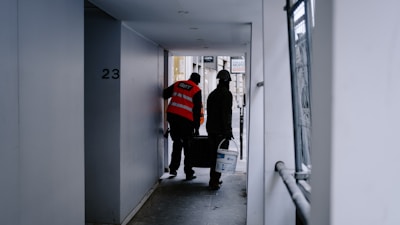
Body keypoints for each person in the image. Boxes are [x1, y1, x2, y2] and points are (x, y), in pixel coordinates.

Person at [163, 72, 202, 180]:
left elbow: (165, 94)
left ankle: (173, 169)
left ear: (189, 78)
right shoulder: (196, 90)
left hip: (173, 117)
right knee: (187, 146)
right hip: (186, 120)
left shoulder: (178, 84)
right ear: (198, 81)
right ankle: (188, 172)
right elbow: (197, 111)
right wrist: (197, 128)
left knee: (177, 143)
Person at [206, 69, 233, 190]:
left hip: (211, 130)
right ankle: (214, 181)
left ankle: (213, 179)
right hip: (221, 131)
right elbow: (226, 114)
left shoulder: (212, 94)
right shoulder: (227, 94)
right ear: (227, 81)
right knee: (220, 156)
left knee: (213, 156)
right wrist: (228, 130)